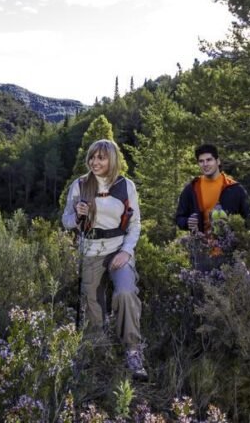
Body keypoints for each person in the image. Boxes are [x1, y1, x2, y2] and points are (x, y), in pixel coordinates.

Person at [62, 139, 146, 380]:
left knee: (125, 292)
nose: (95, 162)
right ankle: (97, 351)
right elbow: (66, 221)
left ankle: (132, 349)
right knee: (92, 304)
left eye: (101, 157)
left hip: (118, 250)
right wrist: (77, 215)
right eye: (92, 157)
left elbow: (135, 223)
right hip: (90, 252)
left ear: (112, 160)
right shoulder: (79, 185)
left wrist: (126, 251)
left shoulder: (125, 186)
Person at [175, 144, 250, 272]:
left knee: (230, 290)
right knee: (202, 290)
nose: (205, 164)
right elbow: (179, 218)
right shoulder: (191, 189)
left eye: (209, 160)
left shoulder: (235, 189)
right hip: (201, 252)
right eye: (201, 161)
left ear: (218, 161)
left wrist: (238, 233)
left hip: (230, 252)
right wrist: (187, 222)